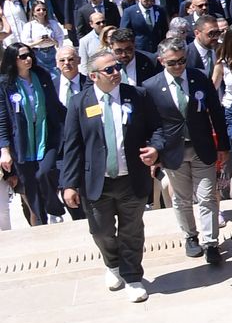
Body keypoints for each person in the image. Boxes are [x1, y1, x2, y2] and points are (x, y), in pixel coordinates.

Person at [58, 48, 165, 302]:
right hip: (96, 182)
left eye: (117, 67)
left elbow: (157, 129)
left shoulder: (137, 95)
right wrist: (68, 184)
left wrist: (155, 149)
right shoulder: (79, 103)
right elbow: (72, 145)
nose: (116, 72)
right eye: (109, 69)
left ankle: (133, 277)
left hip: (131, 179)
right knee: (101, 231)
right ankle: (112, 264)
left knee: (132, 231)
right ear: (94, 76)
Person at [142, 38, 231, 267]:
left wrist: (223, 145)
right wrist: (155, 152)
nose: (178, 66)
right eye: (172, 62)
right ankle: (190, 236)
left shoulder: (199, 77)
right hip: (173, 151)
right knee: (181, 198)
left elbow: (215, 111)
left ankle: (211, 243)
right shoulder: (151, 86)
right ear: (161, 61)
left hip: (202, 147)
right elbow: (151, 124)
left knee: (207, 196)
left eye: (182, 61)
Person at [0, 43, 65, 226]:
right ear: (13, 60)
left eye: (29, 55)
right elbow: (3, 118)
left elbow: (55, 105)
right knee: (31, 186)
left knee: (43, 173)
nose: (28, 59)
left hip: (47, 135)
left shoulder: (41, 75)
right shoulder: (5, 84)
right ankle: (41, 223)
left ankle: (54, 208)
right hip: (21, 142)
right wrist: (4, 150)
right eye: (23, 57)